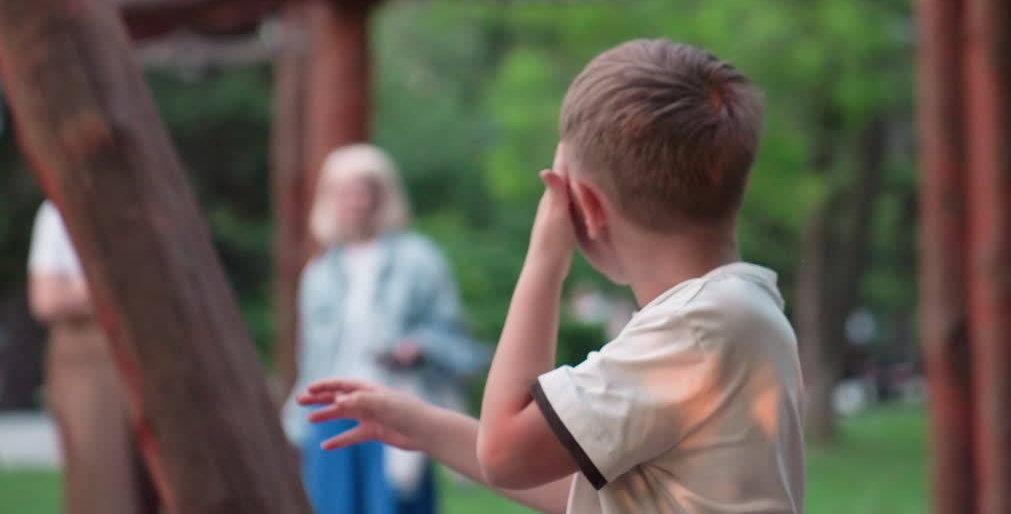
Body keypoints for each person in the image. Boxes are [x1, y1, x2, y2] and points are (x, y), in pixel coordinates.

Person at [298, 40, 805, 514]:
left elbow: (506, 454)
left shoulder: (698, 327)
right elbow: (588, 489)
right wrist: (423, 425)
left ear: (585, 207)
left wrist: (545, 259)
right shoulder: (737, 313)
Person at [282, 144, 488, 514]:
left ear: (381, 195)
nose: (355, 201)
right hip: (332, 413)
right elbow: (310, 358)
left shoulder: (419, 259)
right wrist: (297, 421)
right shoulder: (319, 273)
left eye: (364, 188)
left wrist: (419, 347)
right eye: (343, 191)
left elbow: (456, 340)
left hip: (394, 407)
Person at [28, 200, 159, 514]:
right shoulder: (61, 212)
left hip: (149, 353)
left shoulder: (145, 206)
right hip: (89, 359)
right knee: (103, 483)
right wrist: (119, 286)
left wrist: (85, 288)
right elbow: (46, 299)